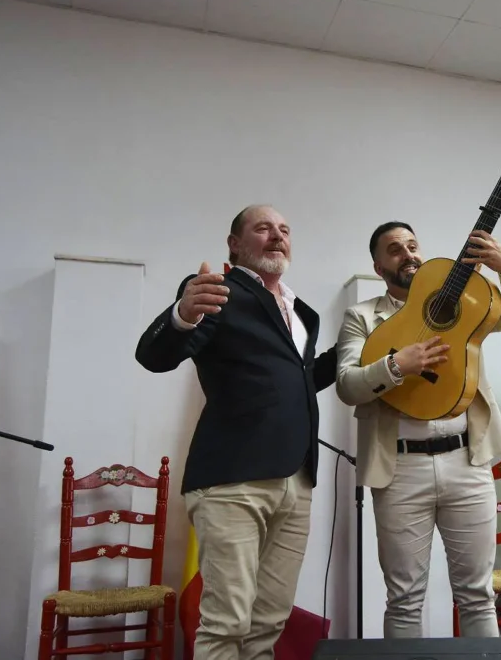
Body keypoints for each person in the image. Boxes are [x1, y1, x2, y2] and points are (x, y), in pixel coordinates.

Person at [135, 204, 336, 660]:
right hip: (232, 482)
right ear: (235, 244)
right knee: (226, 624)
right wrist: (182, 315)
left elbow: (304, 381)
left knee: (267, 624)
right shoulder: (216, 292)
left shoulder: (301, 311)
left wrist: (362, 343)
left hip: (297, 481)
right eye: (262, 228)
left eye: (284, 229)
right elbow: (155, 355)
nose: (277, 236)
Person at [335, 221, 501, 638]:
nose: (407, 254)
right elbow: (348, 385)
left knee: (478, 595)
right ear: (378, 265)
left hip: (468, 459)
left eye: (411, 245)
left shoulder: (463, 300)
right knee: (404, 600)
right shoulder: (361, 316)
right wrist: (395, 366)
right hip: (399, 468)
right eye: (394, 249)